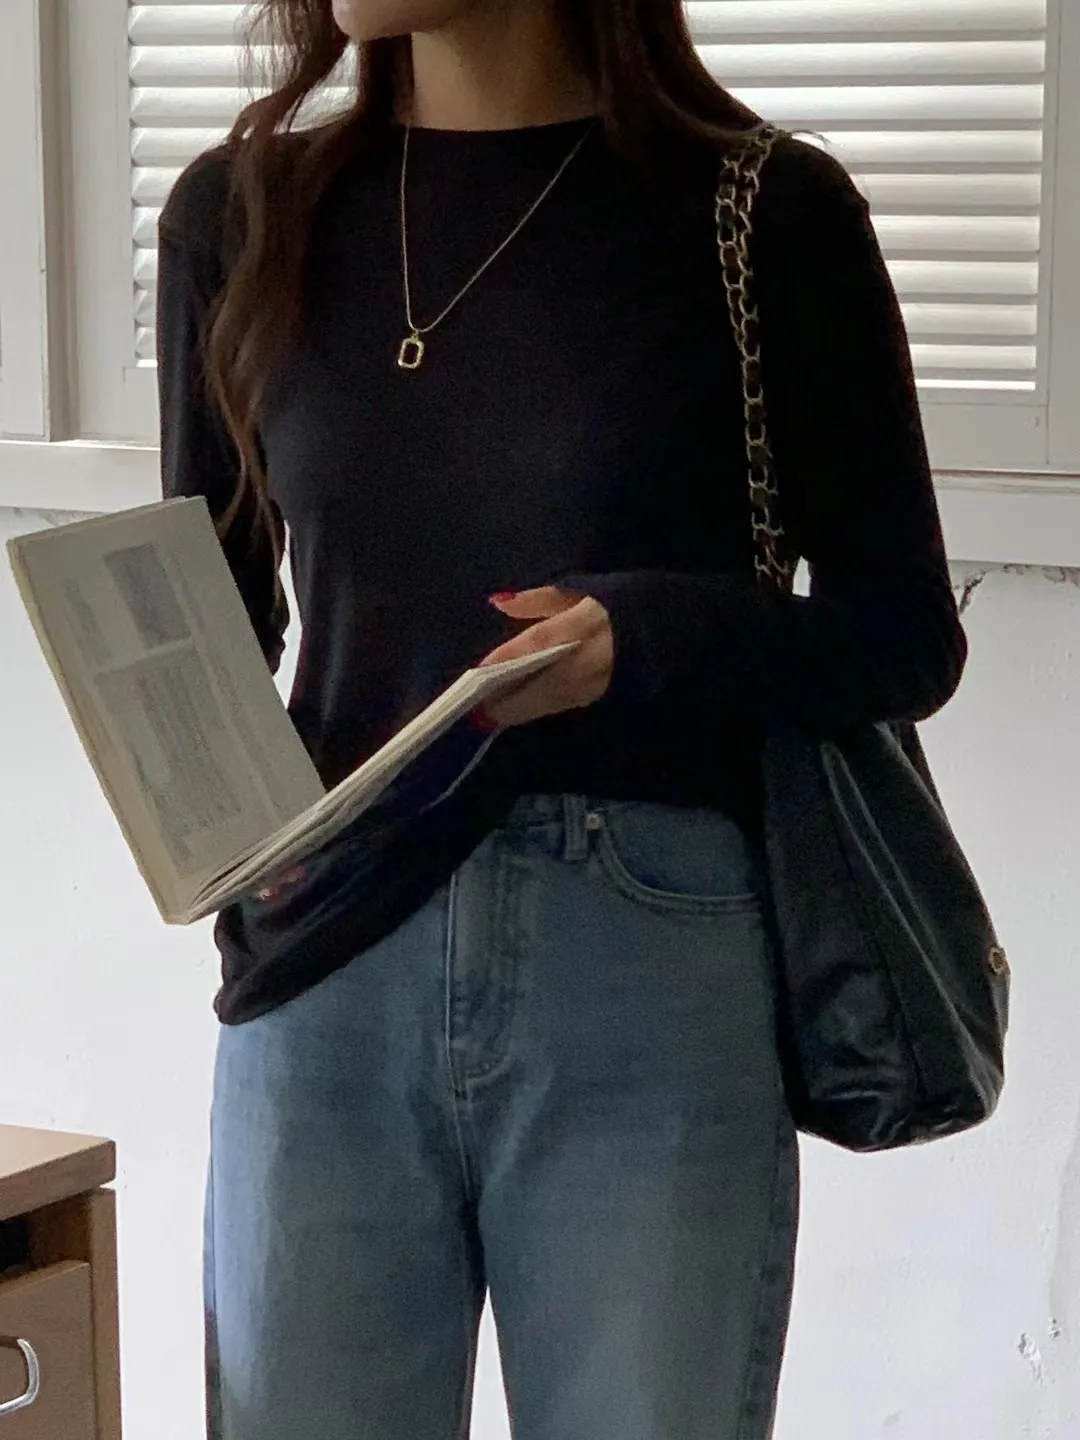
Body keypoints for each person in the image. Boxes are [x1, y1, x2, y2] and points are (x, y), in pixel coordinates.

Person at [157, 1, 968, 1436]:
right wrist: (188, 792)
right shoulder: (242, 213)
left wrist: (644, 637)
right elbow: (217, 613)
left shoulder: (765, 213)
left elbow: (901, 638)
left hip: (645, 959)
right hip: (326, 959)